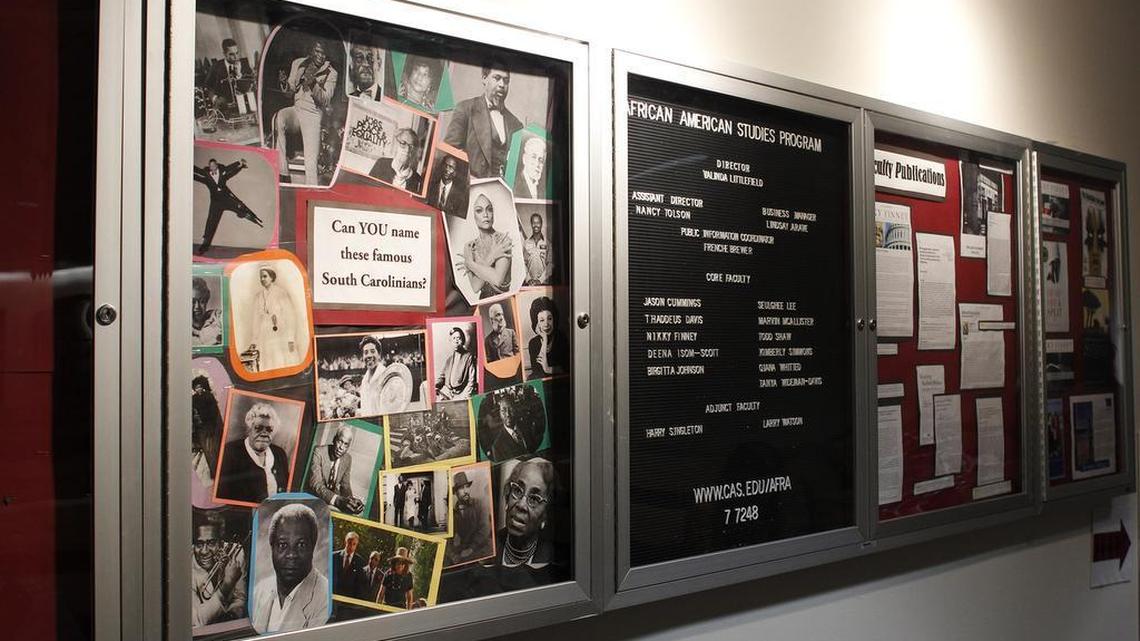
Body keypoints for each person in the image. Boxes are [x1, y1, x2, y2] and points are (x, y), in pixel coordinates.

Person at [250, 503, 330, 633]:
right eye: (282, 545)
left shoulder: (326, 598)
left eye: (301, 545)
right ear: (272, 548)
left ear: (313, 547)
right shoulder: (260, 590)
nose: (291, 555)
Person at [272, 39, 337, 185]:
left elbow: (325, 99)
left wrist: (313, 82)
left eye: (324, 53)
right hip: (296, 110)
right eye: (317, 51)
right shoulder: (298, 63)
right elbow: (290, 92)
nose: (320, 56)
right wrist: (284, 83)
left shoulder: (332, 73)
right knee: (279, 117)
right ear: (311, 51)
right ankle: (283, 173)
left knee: (311, 163)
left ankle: (312, 190)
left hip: (313, 115)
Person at [443, 61, 522, 178]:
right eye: (497, 78)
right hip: (470, 185)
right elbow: (449, 153)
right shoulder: (465, 109)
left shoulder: (516, 125)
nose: (502, 84)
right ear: (484, 79)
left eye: (506, 81)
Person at [215, 402, 290, 504]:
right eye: (258, 428)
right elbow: (221, 497)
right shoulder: (230, 452)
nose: (264, 433)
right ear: (249, 429)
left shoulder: (279, 454)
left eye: (269, 429)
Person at [192, 157, 265, 254]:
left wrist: (239, 164)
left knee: (240, 207)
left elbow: (231, 170)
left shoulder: (223, 172)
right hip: (216, 203)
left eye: (213, 165)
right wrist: (188, 169)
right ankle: (204, 246)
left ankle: (252, 218)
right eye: (210, 166)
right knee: (211, 223)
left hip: (226, 199)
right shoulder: (207, 176)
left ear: (216, 165)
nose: (212, 168)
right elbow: (197, 174)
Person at [496, 458, 557, 572]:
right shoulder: (489, 547)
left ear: (545, 515)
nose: (521, 505)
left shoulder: (553, 560)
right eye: (518, 491)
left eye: (534, 499)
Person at [191, 512, 247, 627]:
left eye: (211, 543)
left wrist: (231, 615)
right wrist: (226, 585)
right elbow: (196, 620)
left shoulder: (236, 553)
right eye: (199, 544)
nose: (204, 551)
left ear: (221, 543)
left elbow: (240, 599)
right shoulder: (185, 563)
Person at [457, 194, 513, 300]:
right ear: (474, 216)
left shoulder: (503, 240)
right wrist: (492, 256)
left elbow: (497, 279)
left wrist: (471, 264)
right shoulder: (469, 247)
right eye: (479, 210)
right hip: (483, 301)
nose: (486, 214)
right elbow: (475, 287)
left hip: (504, 301)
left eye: (489, 209)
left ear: (493, 213)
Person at [247, 263, 298, 372]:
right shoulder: (258, 297)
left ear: (271, 277)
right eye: (261, 277)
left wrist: (290, 338)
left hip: (280, 334)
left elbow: (290, 317)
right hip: (264, 336)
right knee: (266, 363)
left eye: (265, 276)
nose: (262, 279)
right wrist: (254, 341)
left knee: (279, 361)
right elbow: (256, 321)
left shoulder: (281, 293)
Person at [306, 424, 364, 514]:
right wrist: (338, 500)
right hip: (314, 500)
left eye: (346, 444)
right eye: (340, 441)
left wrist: (351, 502)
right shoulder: (319, 452)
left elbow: (345, 485)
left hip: (331, 503)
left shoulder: (347, 459)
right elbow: (316, 484)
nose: (341, 447)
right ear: (334, 439)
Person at [446, 471, 491, 565]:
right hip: (464, 550)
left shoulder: (479, 504)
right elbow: (448, 538)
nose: (466, 491)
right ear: (456, 492)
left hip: (482, 547)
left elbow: (485, 529)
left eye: (467, 487)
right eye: (462, 488)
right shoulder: (453, 512)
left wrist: (471, 549)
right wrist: (452, 555)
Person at [203, 38, 256, 115]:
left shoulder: (244, 64)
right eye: (231, 54)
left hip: (245, 108)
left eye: (237, 53)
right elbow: (207, 86)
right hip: (225, 109)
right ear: (224, 54)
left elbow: (250, 85)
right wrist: (215, 98)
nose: (236, 57)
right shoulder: (216, 67)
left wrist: (239, 74)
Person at [191, 374, 223, 491]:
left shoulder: (208, 396)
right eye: (196, 387)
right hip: (201, 429)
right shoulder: (193, 399)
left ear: (203, 387)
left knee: (214, 449)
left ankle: (218, 472)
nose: (198, 389)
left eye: (200, 386)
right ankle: (214, 473)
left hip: (211, 427)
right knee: (207, 451)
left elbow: (215, 412)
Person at [487, 394, 542, 461]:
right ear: (499, 413)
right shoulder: (497, 447)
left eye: (510, 409)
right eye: (503, 410)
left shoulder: (528, 427)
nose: (508, 414)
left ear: (515, 409)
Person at [369, 127, 424, 193]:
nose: (407, 150)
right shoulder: (381, 164)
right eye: (403, 143)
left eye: (411, 146)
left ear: (415, 151)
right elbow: (367, 189)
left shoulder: (417, 180)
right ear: (396, 145)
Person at [527, 295, 569, 377]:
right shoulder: (533, 343)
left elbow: (566, 368)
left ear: (554, 319)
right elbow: (537, 370)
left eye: (549, 319)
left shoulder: (561, 338)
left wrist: (548, 369)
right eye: (542, 320)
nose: (546, 324)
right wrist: (544, 340)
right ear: (536, 323)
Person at [435, 326, 476, 401]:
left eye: (458, 338)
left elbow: (471, 381)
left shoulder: (469, 357)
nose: (456, 341)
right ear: (451, 341)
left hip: (462, 395)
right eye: (453, 338)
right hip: (449, 394)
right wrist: (435, 386)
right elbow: (442, 378)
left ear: (463, 340)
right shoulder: (449, 360)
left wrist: (464, 397)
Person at [356, 336, 386, 416]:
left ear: (379, 355)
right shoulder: (364, 380)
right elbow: (366, 408)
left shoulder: (386, 376)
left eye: (372, 351)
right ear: (363, 357)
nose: (369, 355)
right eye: (366, 353)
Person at [331, 531, 365, 599]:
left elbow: (359, 585)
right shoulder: (334, 556)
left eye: (354, 544)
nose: (351, 546)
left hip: (348, 598)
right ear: (345, 542)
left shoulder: (360, 561)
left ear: (356, 545)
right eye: (349, 543)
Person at [522, 213, 553, 286]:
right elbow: (523, 264)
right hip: (529, 284)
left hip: (543, 284)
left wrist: (540, 280)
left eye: (538, 222)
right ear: (531, 224)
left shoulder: (547, 243)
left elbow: (550, 264)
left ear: (541, 224)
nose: (536, 225)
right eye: (533, 223)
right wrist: (528, 279)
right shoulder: (526, 243)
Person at [192, 277, 225, 347]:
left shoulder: (216, 317)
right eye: (192, 302)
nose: (197, 307)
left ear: (206, 301)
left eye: (202, 301)